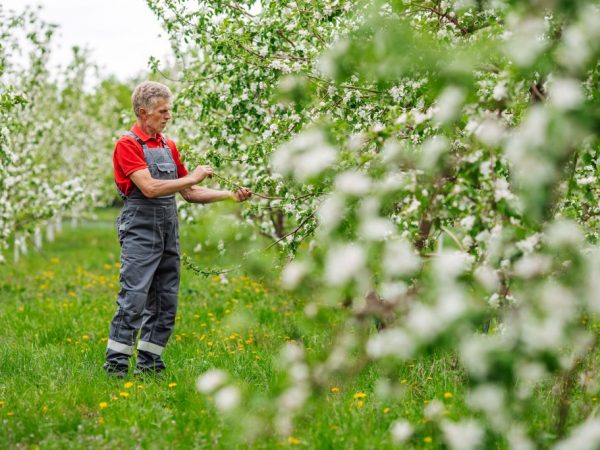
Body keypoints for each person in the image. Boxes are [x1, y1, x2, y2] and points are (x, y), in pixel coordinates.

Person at [103, 81, 251, 377]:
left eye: (169, 110)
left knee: (165, 301)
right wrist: (193, 177)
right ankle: (116, 368)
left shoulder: (167, 145)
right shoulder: (128, 144)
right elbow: (150, 187)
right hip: (140, 229)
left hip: (168, 230)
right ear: (143, 113)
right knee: (133, 299)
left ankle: (150, 366)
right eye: (162, 110)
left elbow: (190, 193)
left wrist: (228, 196)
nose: (168, 115)